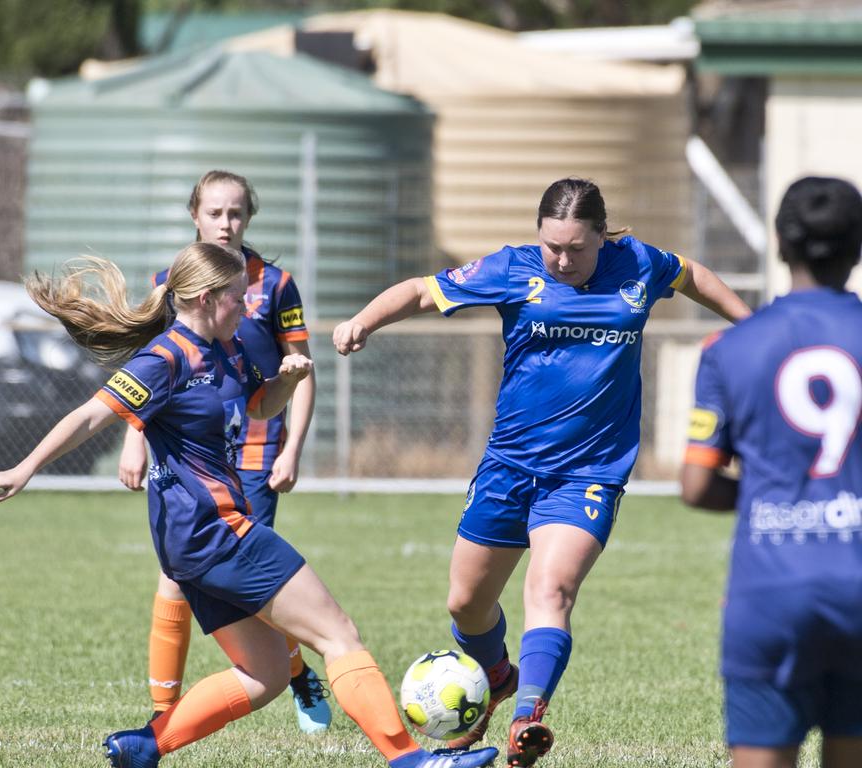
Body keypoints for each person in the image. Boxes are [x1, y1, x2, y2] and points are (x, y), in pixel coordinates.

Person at [0, 243, 500, 768]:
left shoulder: (230, 348)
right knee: (337, 634)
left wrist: (284, 385)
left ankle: (145, 747)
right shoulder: (164, 358)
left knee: (264, 673)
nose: (247, 307)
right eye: (238, 297)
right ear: (203, 299)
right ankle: (409, 759)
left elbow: (258, 406)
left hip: (191, 544)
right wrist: (24, 467)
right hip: (216, 531)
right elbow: (89, 416)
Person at [333, 177, 752, 767]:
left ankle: (528, 715)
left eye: (577, 248)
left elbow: (693, 275)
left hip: (589, 471)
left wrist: (749, 323)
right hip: (509, 465)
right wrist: (364, 321)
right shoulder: (513, 269)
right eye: (553, 246)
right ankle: (499, 677)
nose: (563, 259)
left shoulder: (639, 264)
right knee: (465, 604)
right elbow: (423, 292)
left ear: (602, 238)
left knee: (549, 590)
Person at [116, 170, 329, 732]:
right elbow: (147, 375)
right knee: (174, 580)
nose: (225, 223)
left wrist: (293, 449)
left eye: (236, 213)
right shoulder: (173, 281)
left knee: (263, 590)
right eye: (215, 212)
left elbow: (301, 374)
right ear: (195, 216)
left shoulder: (275, 284)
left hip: (253, 450)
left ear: (248, 219)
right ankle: (162, 718)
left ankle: (298, 674)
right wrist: (133, 437)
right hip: (186, 452)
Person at [680, 176, 862, 768]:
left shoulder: (729, 349)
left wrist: (772, 493)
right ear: (857, 246)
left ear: (780, 246)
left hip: (770, 593)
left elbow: (697, 485)